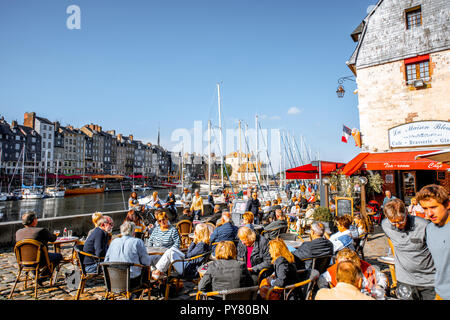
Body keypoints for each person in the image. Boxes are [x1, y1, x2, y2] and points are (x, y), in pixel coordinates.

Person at [382, 198, 435, 300]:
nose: (397, 225)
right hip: (405, 279)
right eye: (393, 223)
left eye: (401, 221)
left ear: (406, 213)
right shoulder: (385, 225)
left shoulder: (424, 226)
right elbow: (390, 239)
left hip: (428, 281)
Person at [416, 184, 450, 300]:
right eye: (425, 208)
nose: (429, 213)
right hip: (440, 292)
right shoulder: (429, 229)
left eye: (433, 207)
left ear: (447, 205)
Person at [318, 248, 388, 297]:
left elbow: (382, 277)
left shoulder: (365, 267)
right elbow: (322, 279)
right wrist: (329, 291)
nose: (345, 266)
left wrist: (380, 286)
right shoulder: (335, 269)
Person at [15, 211, 63, 279]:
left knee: (31, 254)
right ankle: (43, 276)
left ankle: (36, 275)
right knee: (59, 256)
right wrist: (54, 235)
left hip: (23, 261)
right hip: (40, 261)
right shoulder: (41, 231)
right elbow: (53, 239)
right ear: (34, 220)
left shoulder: (18, 232)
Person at [104, 221, 151, 289]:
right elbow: (146, 263)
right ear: (133, 232)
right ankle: (139, 292)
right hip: (130, 281)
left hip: (113, 280)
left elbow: (106, 260)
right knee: (147, 270)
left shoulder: (114, 241)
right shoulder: (137, 242)